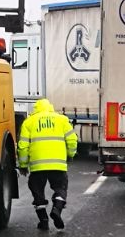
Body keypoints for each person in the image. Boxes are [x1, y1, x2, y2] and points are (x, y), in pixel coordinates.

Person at [17, 98, 79, 229]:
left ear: (36, 109)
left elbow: (22, 146)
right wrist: (70, 155)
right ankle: (57, 209)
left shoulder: (29, 122)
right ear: (51, 107)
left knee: (37, 192)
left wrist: (23, 165)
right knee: (60, 188)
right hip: (58, 165)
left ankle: (43, 220)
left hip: (37, 167)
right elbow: (72, 140)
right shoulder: (62, 120)